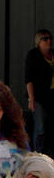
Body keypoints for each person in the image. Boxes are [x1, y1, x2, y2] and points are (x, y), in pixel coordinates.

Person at [25, 28, 54, 157]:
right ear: (38, 41)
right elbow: (29, 78)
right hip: (39, 97)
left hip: (52, 96)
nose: (49, 41)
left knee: (49, 125)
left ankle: (48, 154)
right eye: (45, 38)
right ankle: (37, 153)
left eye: (50, 38)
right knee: (40, 126)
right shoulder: (33, 55)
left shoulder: (53, 54)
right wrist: (31, 98)